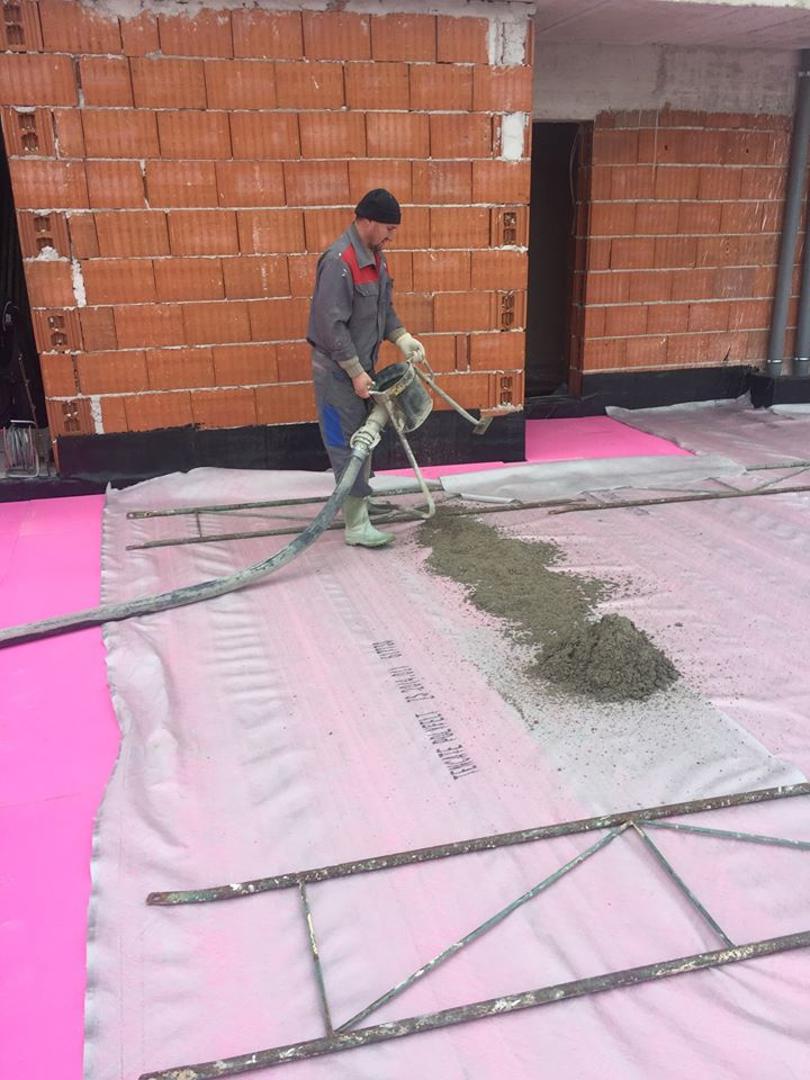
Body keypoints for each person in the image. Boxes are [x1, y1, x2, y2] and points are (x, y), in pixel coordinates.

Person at [307, 189, 425, 548]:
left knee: (365, 437)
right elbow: (331, 327)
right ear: (368, 221)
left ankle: (359, 503)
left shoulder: (375, 257)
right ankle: (356, 525)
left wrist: (402, 337)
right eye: (389, 228)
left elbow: (383, 308)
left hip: (361, 367)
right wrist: (356, 372)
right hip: (337, 372)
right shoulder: (339, 262)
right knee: (347, 443)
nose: (391, 236)